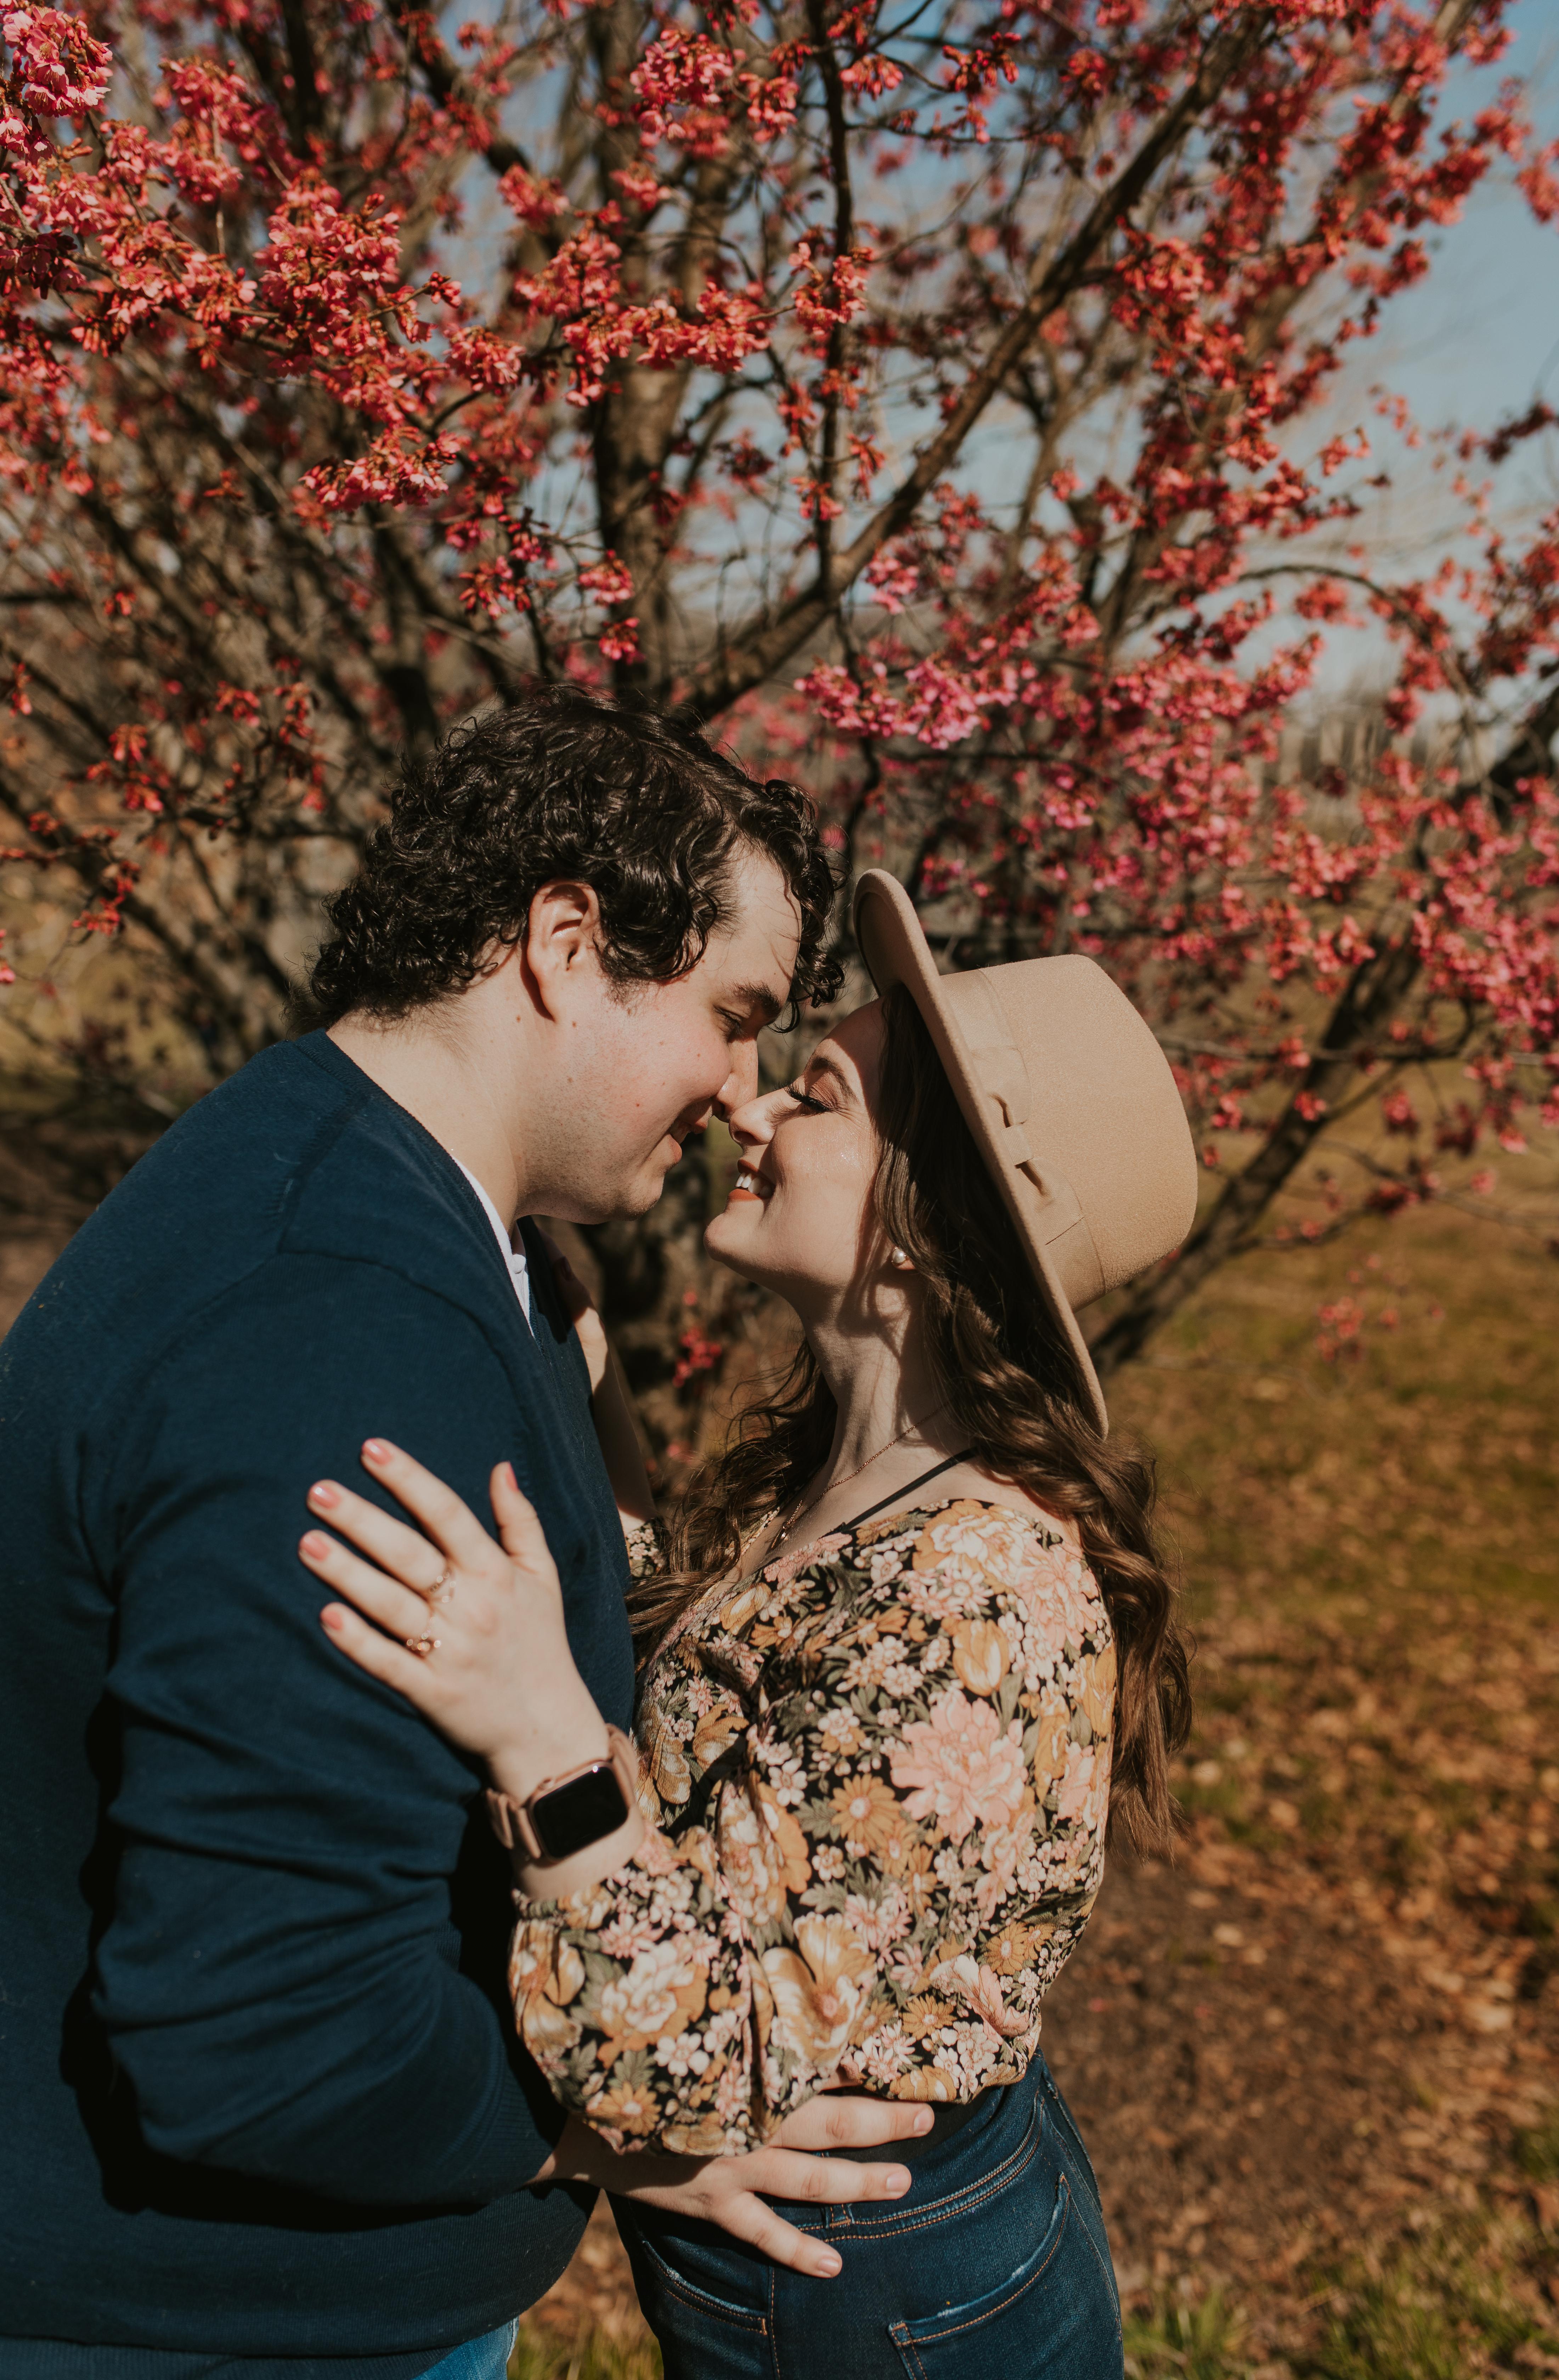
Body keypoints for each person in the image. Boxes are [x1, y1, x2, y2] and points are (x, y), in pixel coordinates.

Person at [0, 691, 937, 2380]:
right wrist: (619, 2129)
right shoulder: (337, 1339)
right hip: (218, 2332)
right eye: (731, 1016)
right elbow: (260, 2036)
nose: (740, 1090)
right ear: (567, 946)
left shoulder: (384, 1197)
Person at [299, 867, 1200, 2379]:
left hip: (876, 2295)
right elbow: (729, 1669)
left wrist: (542, 1741)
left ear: (922, 1227)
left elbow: (689, 2064)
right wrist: (578, 1367)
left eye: (820, 1096)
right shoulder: (862, 1469)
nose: (753, 1107)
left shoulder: (971, 1597)